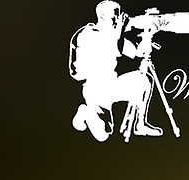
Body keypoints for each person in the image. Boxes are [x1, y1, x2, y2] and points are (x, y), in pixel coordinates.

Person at [69, 3, 161, 139]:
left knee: (144, 80)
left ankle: (140, 124)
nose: (118, 20)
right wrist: (119, 30)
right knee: (103, 135)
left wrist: (148, 36)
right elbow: (111, 46)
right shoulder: (87, 34)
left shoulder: (112, 35)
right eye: (114, 16)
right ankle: (85, 112)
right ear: (102, 16)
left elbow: (137, 52)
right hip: (95, 88)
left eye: (118, 16)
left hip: (111, 84)